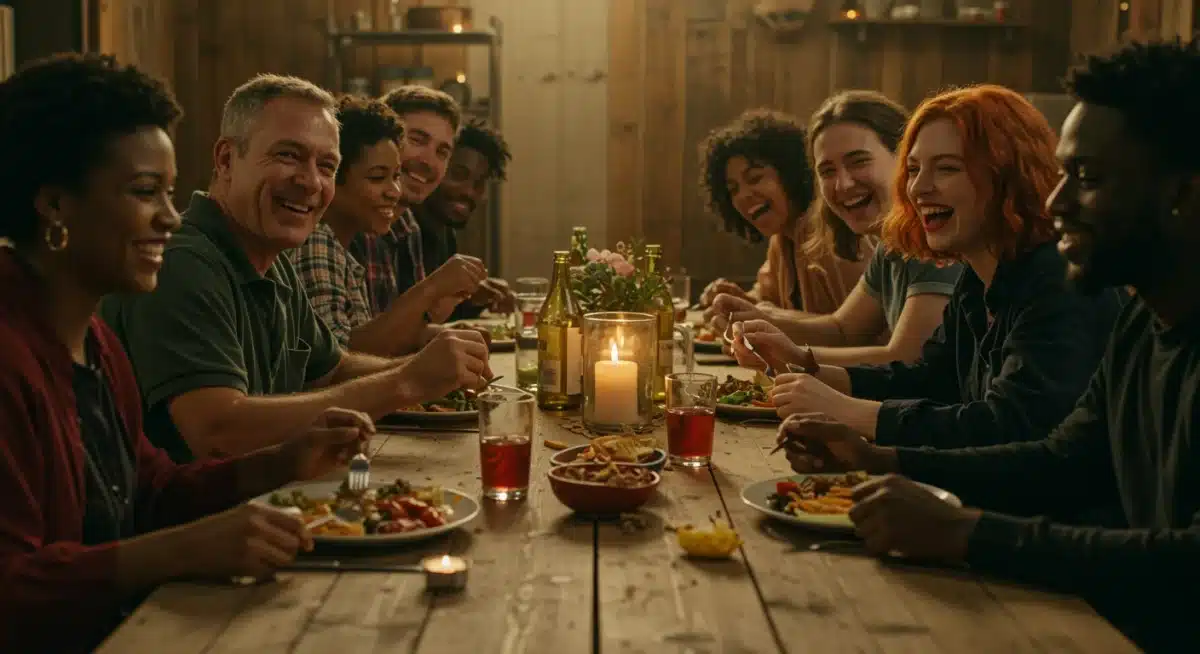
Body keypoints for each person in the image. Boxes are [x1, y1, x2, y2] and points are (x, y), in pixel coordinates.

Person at [770, 39, 1200, 651]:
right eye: (915, 168)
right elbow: (1061, 458)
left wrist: (966, 533)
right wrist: (880, 461)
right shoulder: (1143, 323)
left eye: (1089, 178)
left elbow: (1186, 561)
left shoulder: (1065, 285)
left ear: (1182, 195)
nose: (1057, 201)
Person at [0, 53, 374, 654]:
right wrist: (184, 548)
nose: (172, 219)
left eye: (171, 193)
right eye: (145, 192)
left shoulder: (93, 341)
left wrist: (281, 462)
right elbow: (11, 591)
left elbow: (149, 490)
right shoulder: (11, 355)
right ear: (54, 205)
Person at [100, 74, 491, 463]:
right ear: (225, 159)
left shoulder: (271, 258)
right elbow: (217, 431)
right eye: (288, 155)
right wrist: (406, 381)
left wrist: (432, 372)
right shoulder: (183, 261)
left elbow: (332, 367)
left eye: (326, 166)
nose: (310, 182)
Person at [735, 85, 1125, 448]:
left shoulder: (1057, 277)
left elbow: (1011, 427)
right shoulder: (977, 275)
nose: (918, 188)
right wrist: (806, 366)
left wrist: (853, 416)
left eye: (947, 168)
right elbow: (928, 378)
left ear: (1009, 174)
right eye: (916, 168)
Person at [711, 91, 962, 366]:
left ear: (905, 158)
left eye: (858, 161)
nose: (842, 185)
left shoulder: (937, 240)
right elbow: (842, 330)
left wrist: (791, 356)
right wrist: (761, 321)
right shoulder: (891, 245)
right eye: (827, 171)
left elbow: (905, 360)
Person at [289, 96, 475, 356]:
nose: (394, 192)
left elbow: (375, 339)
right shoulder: (317, 242)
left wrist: (438, 326)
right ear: (331, 176)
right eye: (378, 177)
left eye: (396, 176)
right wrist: (430, 290)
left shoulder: (345, 245)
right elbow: (337, 365)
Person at [349, 86, 504, 328]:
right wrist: (434, 289)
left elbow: (402, 334)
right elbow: (341, 355)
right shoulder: (346, 222)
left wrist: (449, 306)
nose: (429, 162)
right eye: (417, 140)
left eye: (442, 152)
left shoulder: (405, 226)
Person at [696, 109, 871, 317]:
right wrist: (737, 301)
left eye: (755, 178)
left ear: (790, 174)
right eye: (733, 189)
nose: (743, 196)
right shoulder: (781, 239)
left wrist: (761, 316)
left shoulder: (834, 236)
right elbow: (769, 304)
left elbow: (857, 332)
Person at [417, 117, 516, 319]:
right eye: (459, 175)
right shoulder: (400, 231)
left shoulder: (445, 232)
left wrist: (471, 299)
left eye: (479, 183)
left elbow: (436, 315)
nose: (469, 192)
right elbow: (405, 325)